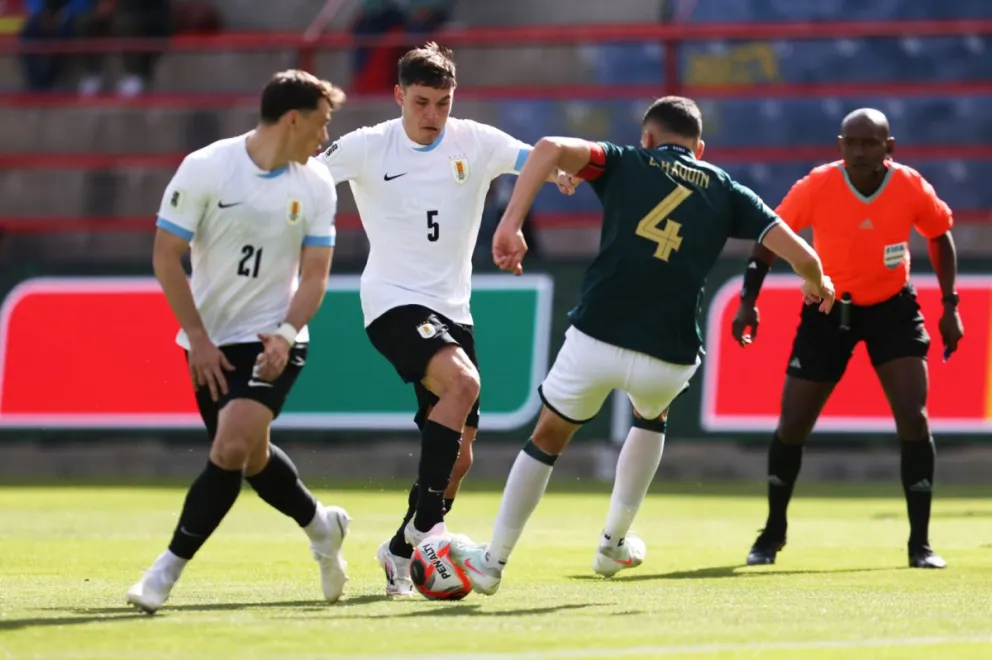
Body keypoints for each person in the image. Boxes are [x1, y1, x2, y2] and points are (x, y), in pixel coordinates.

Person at [445, 96, 834, 596]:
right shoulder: (727, 189)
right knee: (652, 417)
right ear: (700, 147)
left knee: (547, 439)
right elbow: (801, 252)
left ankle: (492, 563)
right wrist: (816, 281)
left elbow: (546, 148)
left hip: (596, 337)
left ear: (648, 138)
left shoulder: (624, 160)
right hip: (667, 357)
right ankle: (614, 542)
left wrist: (511, 222)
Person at [317, 42, 571, 597]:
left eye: (444, 103)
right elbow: (308, 180)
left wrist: (562, 175)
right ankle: (432, 530)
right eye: (422, 103)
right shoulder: (367, 147)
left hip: (454, 308)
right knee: (463, 383)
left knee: (460, 459)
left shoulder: (474, 141)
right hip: (392, 301)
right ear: (398, 97)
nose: (433, 116)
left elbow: (537, 159)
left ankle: (400, 551)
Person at [126, 70, 351, 614]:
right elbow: (165, 257)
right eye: (320, 125)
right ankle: (322, 526)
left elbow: (316, 274)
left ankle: (164, 573)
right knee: (249, 458)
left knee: (228, 447)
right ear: (292, 119)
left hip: (275, 338)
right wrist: (198, 339)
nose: (324, 139)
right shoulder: (207, 168)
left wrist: (287, 332)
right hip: (209, 343)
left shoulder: (316, 183)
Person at [731, 108, 964, 570]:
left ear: (888, 148)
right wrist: (747, 301)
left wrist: (950, 305)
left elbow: (939, 235)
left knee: (914, 419)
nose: (859, 152)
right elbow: (769, 238)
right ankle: (771, 533)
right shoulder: (816, 185)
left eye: (870, 143)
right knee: (793, 423)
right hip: (826, 309)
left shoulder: (910, 186)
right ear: (839, 145)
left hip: (893, 308)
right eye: (851, 143)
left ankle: (920, 544)